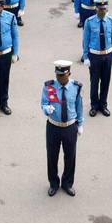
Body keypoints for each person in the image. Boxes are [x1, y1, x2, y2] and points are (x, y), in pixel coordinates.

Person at [42, 60, 83, 197]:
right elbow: (44, 103)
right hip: (53, 126)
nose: (59, 78)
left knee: (70, 156)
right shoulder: (50, 87)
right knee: (52, 156)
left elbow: (79, 106)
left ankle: (67, 183)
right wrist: (47, 109)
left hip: (70, 127)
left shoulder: (76, 87)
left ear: (69, 74)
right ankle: (53, 183)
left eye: (62, 76)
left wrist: (80, 124)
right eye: (58, 75)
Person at [82, 0, 112, 117]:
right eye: (101, 9)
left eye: (105, 9)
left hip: (107, 55)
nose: (103, 11)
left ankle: (103, 105)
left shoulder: (111, 21)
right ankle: (94, 106)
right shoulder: (89, 22)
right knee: (94, 82)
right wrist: (86, 56)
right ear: (96, 9)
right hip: (94, 56)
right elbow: (85, 40)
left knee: (106, 81)